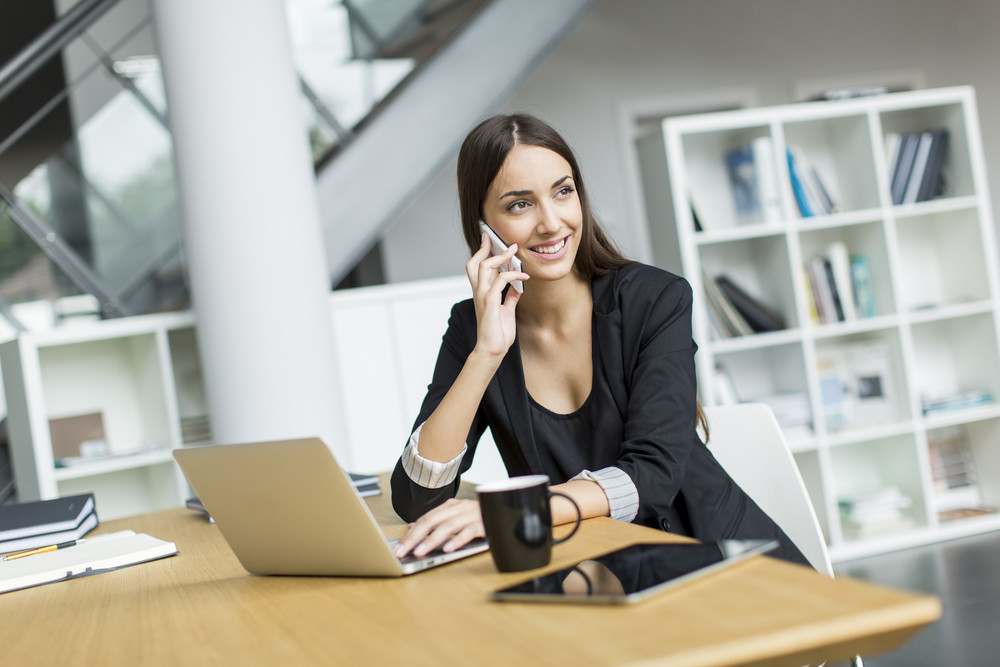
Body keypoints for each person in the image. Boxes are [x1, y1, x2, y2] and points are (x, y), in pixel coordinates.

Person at [390, 113, 808, 567]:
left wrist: (513, 515)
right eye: (519, 205)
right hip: (597, 573)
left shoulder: (654, 300)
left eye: (563, 191)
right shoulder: (474, 329)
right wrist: (487, 353)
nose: (551, 223)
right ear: (483, 228)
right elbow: (416, 501)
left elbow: (654, 474)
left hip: (718, 560)